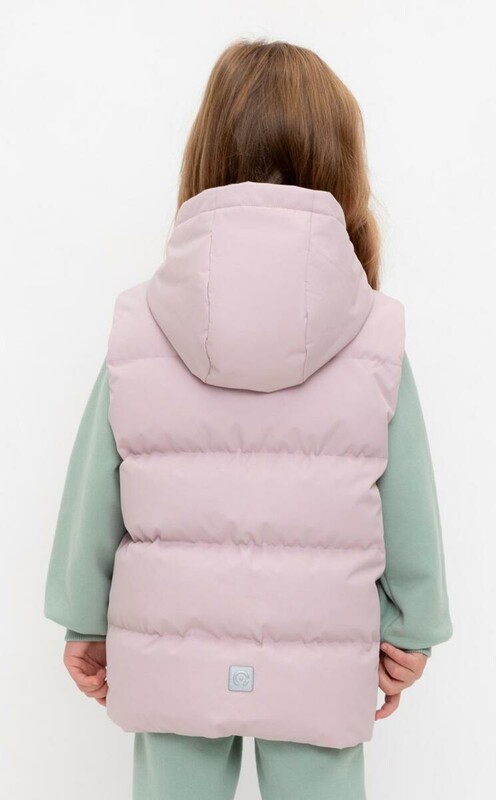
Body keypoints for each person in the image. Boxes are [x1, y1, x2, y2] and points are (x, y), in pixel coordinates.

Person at [44, 39, 453, 800]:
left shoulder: (141, 324)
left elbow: (95, 488)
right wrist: (412, 625)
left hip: (171, 645)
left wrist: (82, 618)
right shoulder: (373, 332)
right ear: (339, 165)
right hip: (321, 647)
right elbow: (407, 500)